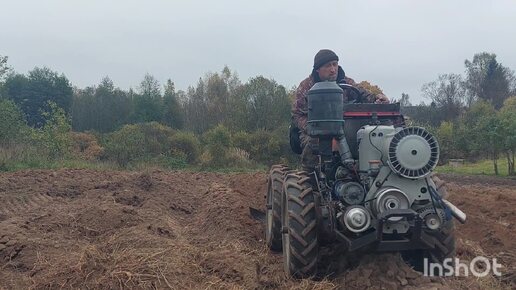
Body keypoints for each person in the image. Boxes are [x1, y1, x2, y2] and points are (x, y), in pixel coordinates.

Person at [291, 49, 389, 172]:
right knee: (315, 142)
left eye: (335, 64)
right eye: (328, 66)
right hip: (316, 129)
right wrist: (314, 128)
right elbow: (297, 114)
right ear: (318, 69)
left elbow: (364, 94)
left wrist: (378, 99)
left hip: (346, 128)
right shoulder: (306, 88)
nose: (333, 69)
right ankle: (310, 178)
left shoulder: (347, 83)